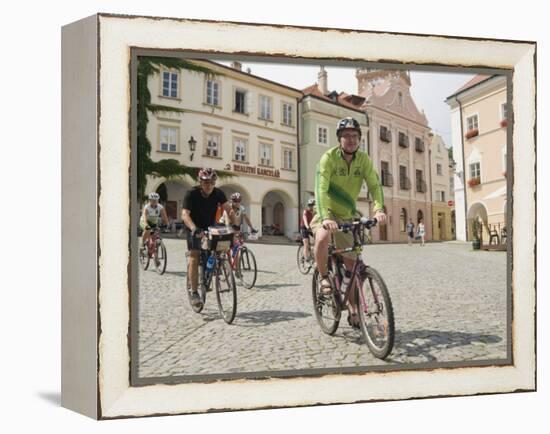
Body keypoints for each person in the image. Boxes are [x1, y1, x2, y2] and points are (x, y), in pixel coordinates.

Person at [312, 117, 386, 328]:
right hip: (325, 212)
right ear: (339, 139)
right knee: (323, 236)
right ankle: (325, 276)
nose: (351, 140)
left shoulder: (363, 160)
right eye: (346, 136)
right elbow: (321, 188)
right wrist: (325, 216)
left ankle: (353, 310)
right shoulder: (329, 158)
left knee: (352, 266)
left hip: (347, 215)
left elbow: (374, 184)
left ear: (360, 139)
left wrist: (379, 208)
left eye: (355, 136)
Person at [181, 168, 232, 307]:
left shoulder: (218, 193)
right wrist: (193, 228)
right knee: (194, 255)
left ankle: (210, 272)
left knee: (218, 249)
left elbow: (228, 208)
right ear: (200, 182)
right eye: (205, 182)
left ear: (214, 182)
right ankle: (194, 292)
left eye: (211, 182)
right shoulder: (191, 194)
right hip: (193, 226)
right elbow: (185, 214)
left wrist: (235, 223)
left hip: (210, 227)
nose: (208, 185)